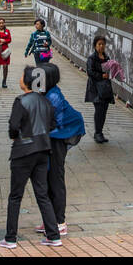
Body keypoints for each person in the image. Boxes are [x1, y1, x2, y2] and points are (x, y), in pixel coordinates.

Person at [0, 65, 61, 248]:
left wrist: (17, 136)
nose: (20, 79)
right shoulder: (46, 102)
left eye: (21, 76)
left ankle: (10, 238)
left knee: (15, 196)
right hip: (43, 150)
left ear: (27, 82)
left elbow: (13, 127)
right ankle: (53, 234)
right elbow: (52, 124)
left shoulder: (21, 101)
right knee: (42, 194)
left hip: (23, 152)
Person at [36, 61, 84, 238]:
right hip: (50, 138)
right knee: (47, 179)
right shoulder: (45, 92)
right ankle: (50, 220)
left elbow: (47, 122)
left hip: (58, 138)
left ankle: (60, 222)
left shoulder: (54, 96)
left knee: (55, 178)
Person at [85, 34, 115, 143]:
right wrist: (101, 75)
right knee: (99, 110)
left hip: (105, 88)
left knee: (104, 110)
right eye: (99, 44)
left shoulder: (106, 58)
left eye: (103, 44)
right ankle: (97, 133)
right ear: (95, 46)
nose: (101, 46)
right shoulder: (92, 58)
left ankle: (100, 132)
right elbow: (90, 71)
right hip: (95, 88)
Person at [0, 15, 13, 88]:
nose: (1, 24)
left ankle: (4, 81)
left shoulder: (7, 31)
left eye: (2, 23)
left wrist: (4, 41)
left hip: (5, 50)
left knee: (5, 66)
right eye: (0, 23)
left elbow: (9, 39)